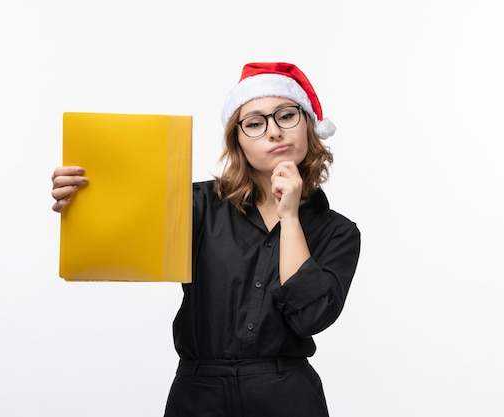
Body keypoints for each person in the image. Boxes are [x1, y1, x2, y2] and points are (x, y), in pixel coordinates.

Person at [51, 62, 361, 417]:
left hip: (286, 395)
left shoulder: (338, 232)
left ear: (308, 126)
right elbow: (119, 230)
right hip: (199, 395)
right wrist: (81, 199)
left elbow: (309, 319)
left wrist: (289, 215)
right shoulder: (195, 206)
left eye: (286, 116)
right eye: (256, 123)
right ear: (238, 142)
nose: (274, 131)